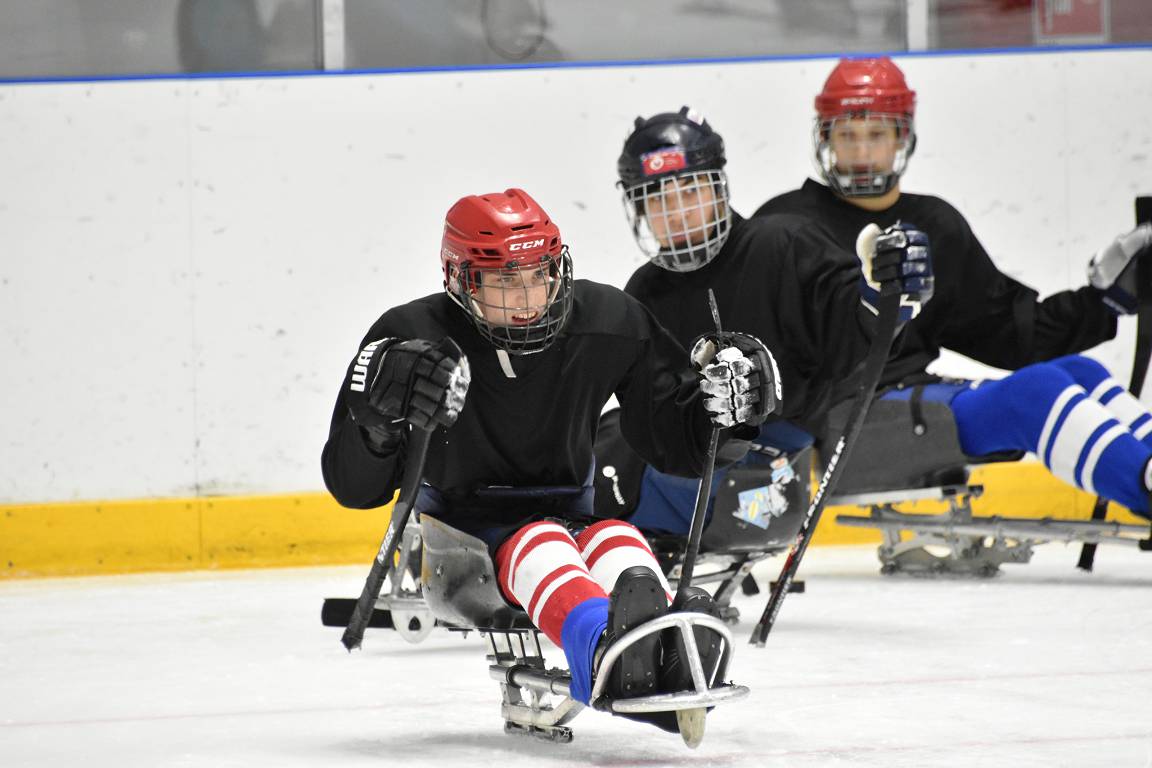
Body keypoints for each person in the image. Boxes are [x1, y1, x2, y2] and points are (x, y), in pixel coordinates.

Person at [320, 188, 779, 736]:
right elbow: (355, 486)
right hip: (463, 533)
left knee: (616, 537)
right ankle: (602, 649)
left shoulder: (609, 320)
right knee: (542, 545)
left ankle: (663, 645)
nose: (528, 298)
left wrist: (725, 414)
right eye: (505, 280)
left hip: (571, 512)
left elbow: (670, 441)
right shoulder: (412, 337)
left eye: (541, 275)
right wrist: (376, 424)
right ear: (461, 280)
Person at [754, 57, 1152, 518]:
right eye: (847, 136)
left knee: (1079, 372)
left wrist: (1105, 300)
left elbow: (1008, 332)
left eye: (876, 134)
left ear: (902, 138)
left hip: (907, 402)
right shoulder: (786, 227)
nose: (861, 152)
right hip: (840, 423)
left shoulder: (933, 223)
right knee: (1036, 392)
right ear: (825, 139)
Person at [595, 106, 934, 535]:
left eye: (691, 190)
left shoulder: (782, 244)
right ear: (638, 208)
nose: (677, 212)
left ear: (718, 187)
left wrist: (882, 294)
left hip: (769, 469)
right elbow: (650, 420)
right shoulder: (643, 291)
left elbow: (851, 334)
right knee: (601, 442)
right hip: (692, 462)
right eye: (658, 198)